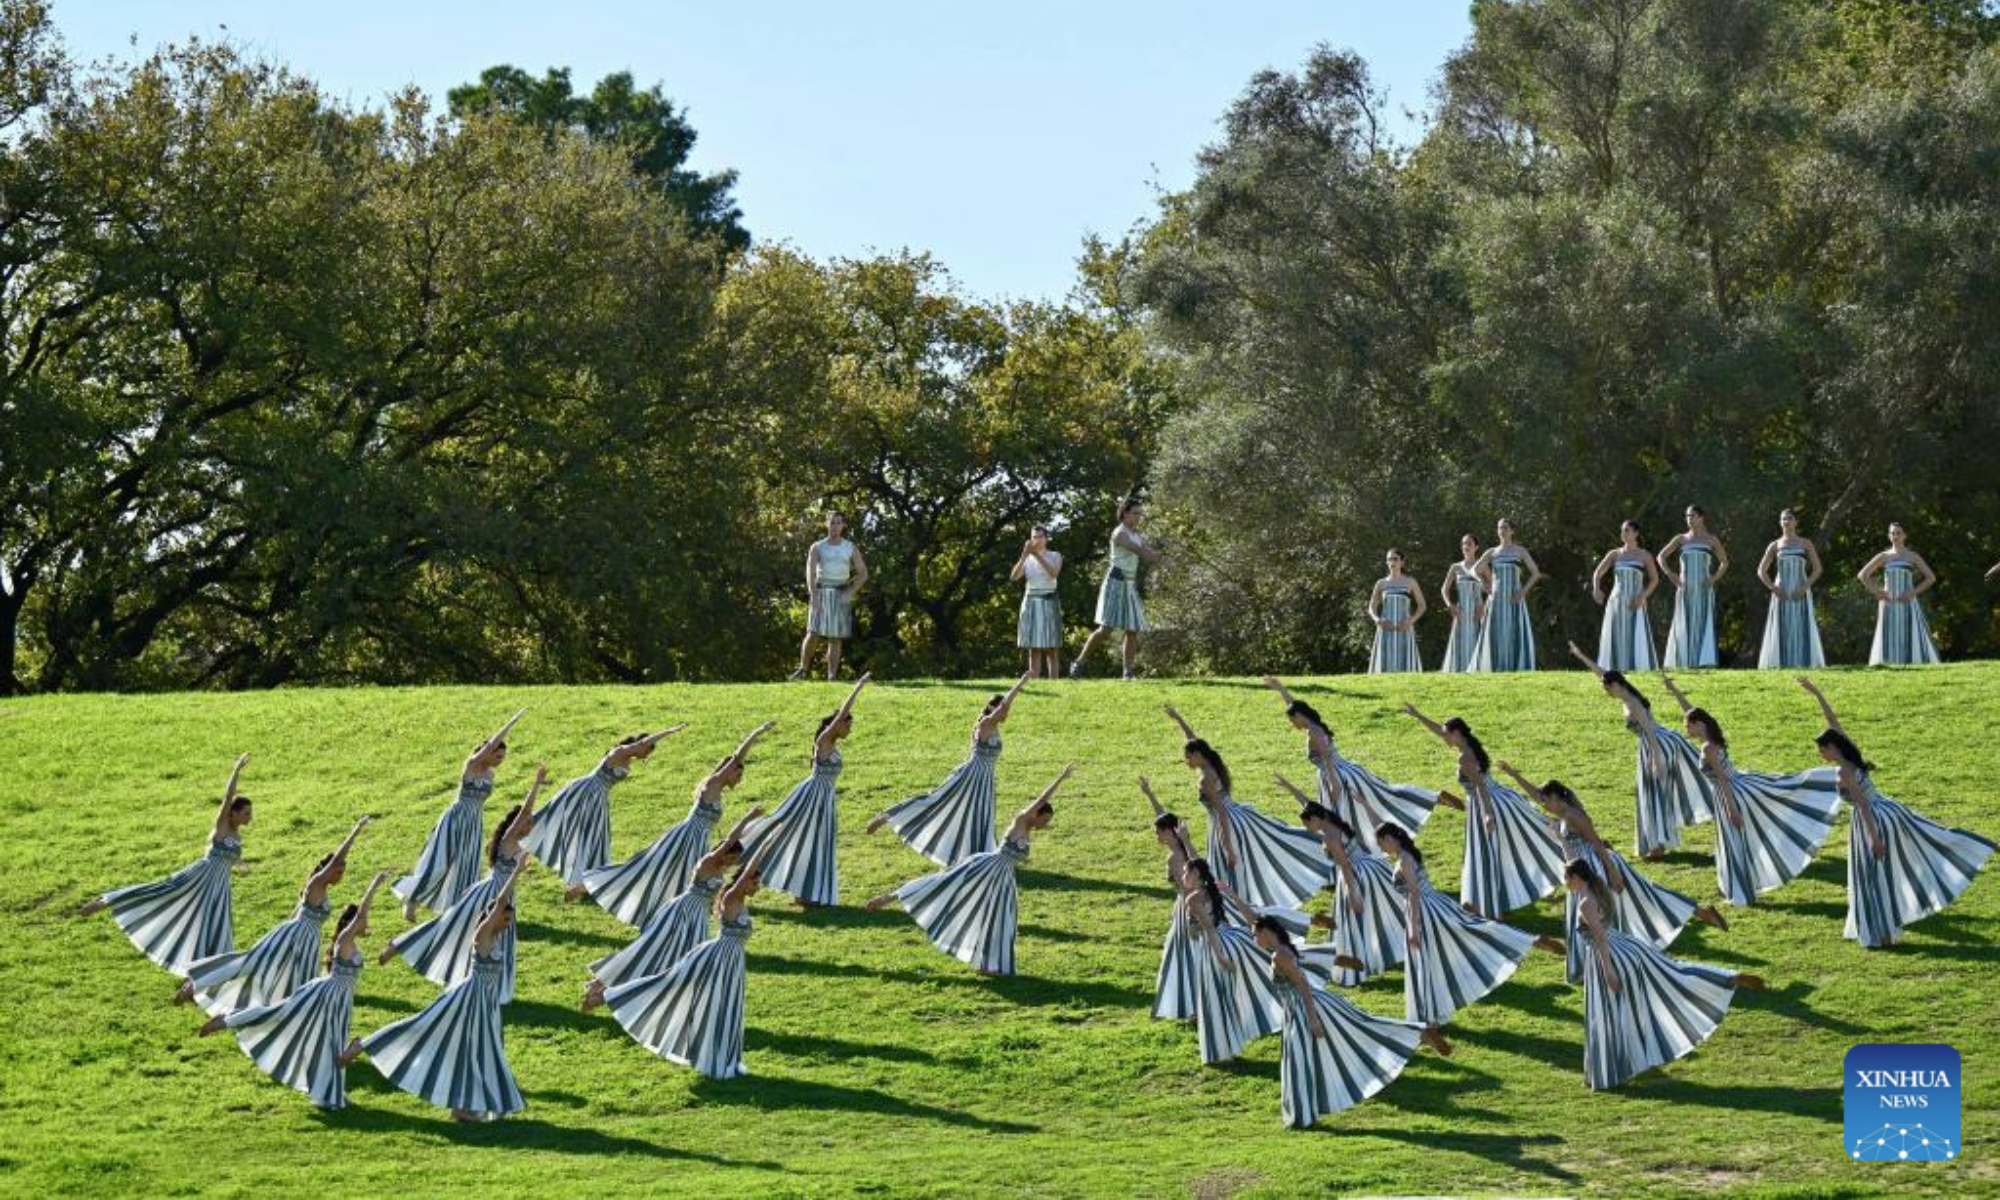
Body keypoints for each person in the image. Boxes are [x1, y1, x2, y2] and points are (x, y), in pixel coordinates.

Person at [1798, 677, 1993, 947]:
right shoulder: (1851, 755)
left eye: (1822, 749)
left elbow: (1862, 806)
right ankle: (1973, 845)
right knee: (1921, 842)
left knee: (1873, 877)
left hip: (1872, 819)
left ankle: (1882, 933)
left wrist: (1875, 838)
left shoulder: (1844, 771)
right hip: (1888, 809)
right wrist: (1816, 694)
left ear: (1832, 748)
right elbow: (1834, 723)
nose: (1820, 754)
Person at [1497, 765, 1725, 984]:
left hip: (1596, 867)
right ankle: (1698, 912)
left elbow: (1596, 843)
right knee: (1640, 896)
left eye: (1546, 800)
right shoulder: (1563, 811)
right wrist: (1512, 774)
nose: (1543, 804)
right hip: (1582, 868)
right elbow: (1536, 794)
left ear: (1557, 798)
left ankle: (1697, 913)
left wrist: (1613, 872)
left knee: (1640, 898)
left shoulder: (1573, 816)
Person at [199, 870, 392, 1110]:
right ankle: (226, 1020)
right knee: (279, 1014)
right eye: (362, 923)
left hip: (340, 1001)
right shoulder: (344, 940)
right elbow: (361, 914)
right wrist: (374, 885)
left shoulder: (348, 943)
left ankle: (330, 1094)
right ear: (353, 925)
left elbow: (361, 917)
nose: (367, 925)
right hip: (325, 995)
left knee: (330, 1044)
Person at [1568, 860, 1760, 1090]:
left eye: (1567, 878)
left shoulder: (1586, 904)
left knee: (1607, 1012)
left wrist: (1608, 970)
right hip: (1628, 947)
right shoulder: (1601, 891)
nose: (1565, 883)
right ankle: (1726, 978)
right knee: (1672, 973)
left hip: (1610, 957)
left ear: (1577, 878)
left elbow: (1599, 939)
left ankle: (1612, 1070)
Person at [866, 765, 1073, 976]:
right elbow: (1041, 799)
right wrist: (1060, 779)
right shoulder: (1021, 820)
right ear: (1037, 813)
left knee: (999, 920)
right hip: (988, 867)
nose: (1045, 825)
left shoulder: (1028, 831)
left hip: (1003, 879)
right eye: (1044, 820)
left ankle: (988, 963)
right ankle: (889, 898)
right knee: (943, 884)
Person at [594, 842, 777, 1079]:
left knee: (727, 1007)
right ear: (745, 880)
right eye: (755, 881)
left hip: (732, 963)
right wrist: (767, 843)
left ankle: (723, 1058)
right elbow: (746, 866)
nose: (758, 887)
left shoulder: (741, 905)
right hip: (717, 958)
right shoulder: (731, 898)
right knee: (681, 987)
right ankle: (609, 994)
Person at [359, 870, 527, 1121]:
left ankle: (464, 1106)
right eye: (506, 918)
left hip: (486, 1004)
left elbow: (504, 905)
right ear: (495, 916)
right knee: (432, 1031)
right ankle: (366, 1044)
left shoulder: (496, 939)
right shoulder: (482, 935)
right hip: (469, 999)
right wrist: (516, 871)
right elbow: (501, 902)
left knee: (479, 1050)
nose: (508, 922)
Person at [1661, 674, 1840, 907]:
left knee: (1734, 841)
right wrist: (1674, 691)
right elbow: (1692, 712)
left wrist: (1731, 809)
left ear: (1698, 724)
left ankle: (1740, 893)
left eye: (1688, 725)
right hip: (1737, 788)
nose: (1686, 729)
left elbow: (1723, 780)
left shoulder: (1707, 748)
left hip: (1732, 794)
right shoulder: (1712, 739)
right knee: (1735, 840)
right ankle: (1737, 889)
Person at [579, 721, 775, 926]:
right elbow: (737, 757)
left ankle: (674, 920)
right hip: (685, 836)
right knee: (648, 867)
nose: (739, 779)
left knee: (682, 879)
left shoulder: (718, 791)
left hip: (698, 841)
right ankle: (591, 885)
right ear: (728, 772)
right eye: (738, 774)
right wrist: (756, 733)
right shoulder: (714, 783)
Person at [1379, 823, 1551, 1057]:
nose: (1381, 847)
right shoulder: (1406, 856)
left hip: (1427, 913)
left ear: (1390, 838)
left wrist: (1413, 929)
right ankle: (1428, 1025)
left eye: (1382, 842)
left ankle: (1428, 1026)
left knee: (1435, 958)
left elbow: (1414, 896)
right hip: (1432, 908)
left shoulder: (1405, 860)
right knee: (1456, 943)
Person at [177, 816, 372, 1016]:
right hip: (294, 937)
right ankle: (194, 986)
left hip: (306, 942)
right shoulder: (317, 883)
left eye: (342, 872)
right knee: (250, 965)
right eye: (339, 871)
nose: (341, 875)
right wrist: (355, 832)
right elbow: (337, 860)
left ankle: (272, 1018)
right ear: (329, 870)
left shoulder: (319, 889)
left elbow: (297, 912)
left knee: (296, 986)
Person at [380, 768, 545, 1004]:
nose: (530, 825)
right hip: (487, 895)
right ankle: (398, 945)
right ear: (516, 824)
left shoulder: (518, 844)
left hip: (506, 897)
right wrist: (537, 784)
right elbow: (525, 811)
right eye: (527, 821)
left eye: (531, 822)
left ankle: (493, 990)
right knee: (448, 927)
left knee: (501, 942)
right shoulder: (509, 839)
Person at [82, 754, 254, 975]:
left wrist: (239, 862)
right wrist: (236, 771)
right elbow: (227, 797)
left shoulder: (237, 837)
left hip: (219, 887)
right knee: (163, 890)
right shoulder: (221, 824)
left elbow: (227, 854)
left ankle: (207, 973)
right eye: (246, 813)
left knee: (217, 924)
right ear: (234, 813)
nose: (250, 817)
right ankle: (107, 901)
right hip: (201, 876)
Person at [1254, 914, 1423, 1129]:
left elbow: (1303, 984)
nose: (1253, 938)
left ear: (1266, 932)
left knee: (1298, 1061)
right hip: (1295, 1011)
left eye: (1255, 933)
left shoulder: (1280, 955)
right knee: (1300, 1060)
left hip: (1301, 1011)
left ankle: (1302, 1118)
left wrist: (1312, 1020)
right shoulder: (1283, 951)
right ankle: (1302, 1116)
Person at [581, 814, 762, 1010]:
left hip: (697, 920)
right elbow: (730, 840)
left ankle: (605, 988)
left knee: (681, 963)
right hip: (680, 913)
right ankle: (603, 989)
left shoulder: (719, 871)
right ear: (724, 852)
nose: (732, 862)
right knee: (650, 951)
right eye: (732, 857)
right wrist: (748, 819)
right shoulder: (708, 862)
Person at [1263, 677, 1456, 852]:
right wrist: (1281, 690)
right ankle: (1432, 797)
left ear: (1299, 717)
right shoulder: (1313, 724)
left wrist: (1333, 789)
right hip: (1347, 770)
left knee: (1345, 817)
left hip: (1336, 775)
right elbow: (1294, 706)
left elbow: (1328, 760)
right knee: (1385, 795)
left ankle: (1358, 854)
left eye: (1292, 720)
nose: (1292, 724)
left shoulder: (1313, 732)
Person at [1403, 706, 1562, 917]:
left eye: (1447, 734)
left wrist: (1487, 814)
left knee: (1489, 853)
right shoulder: (1468, 746)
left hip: (1487, 803)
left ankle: (1493, 902)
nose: (1444, 738)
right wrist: (1418, 715)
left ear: (1457, 733)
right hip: (1497, 798)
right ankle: (1498, 899)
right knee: (1505, 847)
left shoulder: (1465, 758)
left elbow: (1480, 787)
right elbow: (1440, 732)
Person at [1166, 705, 1329, 910]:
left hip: (1227, 822)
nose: (1186, 761)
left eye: (1189, 756)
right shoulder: (1213, 763)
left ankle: (1238, 909)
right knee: (1272, 844)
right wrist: (1179, 720)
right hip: (1238, 815)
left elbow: (1221, 812)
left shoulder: (1205, 779)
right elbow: (1195, 741)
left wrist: (1227, 847)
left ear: (1198, 755)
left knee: (1233, 868)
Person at [1569, 642, 1715, 860]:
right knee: (1651, 794)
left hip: (1657, 744)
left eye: (1607, 688)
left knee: (1653, 793)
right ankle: (1657, 843)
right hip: (1651, 744)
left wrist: (1657, 761)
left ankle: (1657, 845)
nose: (1605, 692)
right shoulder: (1624, 694)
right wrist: (1581, 655)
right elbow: (1602, 673)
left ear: (1616, 685)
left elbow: (1650, 732)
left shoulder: (1633, 703)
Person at [867, 675, 1028, 865]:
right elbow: (1003, 707)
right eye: (1004, 709)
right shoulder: (985, 724)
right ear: (994, 708)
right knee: (936, 801)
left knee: (981, 815)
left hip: (986, 779)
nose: (1007, 713)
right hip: (972, 775)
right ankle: (887, 816)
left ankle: (977, 856)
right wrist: (1021, 682)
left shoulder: (995, 728)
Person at [740, 674, 871, 906]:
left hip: (825, 799)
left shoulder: (834, 746)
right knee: (781, 830)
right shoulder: (824, 740)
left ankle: (806, 894)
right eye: (847, 724)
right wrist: (858, 688)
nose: (849, 729)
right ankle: (740, 859)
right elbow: (841, 713)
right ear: (837, 724)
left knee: (817, 842)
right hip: (810, 796)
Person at [394, 710, 523, 922]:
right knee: (439, 863)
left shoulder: (490, 774)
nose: (500, 760)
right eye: (497, 756)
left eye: (503, 757)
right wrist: (510, 724)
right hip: (456, 818)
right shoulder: (472, 765)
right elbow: (491, 745)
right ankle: (412, 899)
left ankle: (459, 911)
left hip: (474, 822)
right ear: (488, 753)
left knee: (467, 866)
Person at [1273, 776, 1402, 987]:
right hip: (1370, 868)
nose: (1307, 828)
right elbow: (1309, 804)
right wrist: (1290, 788)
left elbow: (1344, 865)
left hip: (1355, 875)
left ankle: (1358, 965)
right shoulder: (1330, 820)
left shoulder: (1329, 837)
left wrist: (1353, 893)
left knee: (1352, 924)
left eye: (1307, 823)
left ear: (1316, 819)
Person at [529, 726, 685, 892]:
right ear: (642, 746)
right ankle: (578, 878)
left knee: (597, 837)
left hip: (599, 797)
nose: (646, 756)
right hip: (587, 791)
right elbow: (643, 742)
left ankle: (587, 878)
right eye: (647, 751)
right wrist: (668, 732)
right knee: (584, 832)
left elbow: (642, 746)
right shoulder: (620, 751)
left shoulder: (628, 759)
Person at [1071, 499, 1160, 679]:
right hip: (1115, 582)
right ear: (1124, 513)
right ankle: (1079, 662)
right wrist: (1152, 554)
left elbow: (1149, 554)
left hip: (1129, 584)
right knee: (1106, 629)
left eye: (1140, 514)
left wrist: (1157, 555)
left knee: (1132, 629)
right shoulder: (1119, 533)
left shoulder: (1138, 535)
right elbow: (1140, 551)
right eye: (1135, 513)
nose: (1138, 517)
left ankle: (1127, 672)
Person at [792, 510, 870, 681]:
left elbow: (863, 573)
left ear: (843, 525)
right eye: (832, 522)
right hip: (820, 592)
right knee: (813, 633)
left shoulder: (850, 547)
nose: (835, 526)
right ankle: (802, 670)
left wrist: (850, 593)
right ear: (826, 524)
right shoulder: (817, 547)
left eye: (838, 523)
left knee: (835, 638)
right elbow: (810, 574)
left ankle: (832, 677)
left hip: (841, 592)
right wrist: (814, 595)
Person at [1859, 523, 1942, 666]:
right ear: (1889, 536)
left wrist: (1913, 592)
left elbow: (1931, 578)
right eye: (1892, 533)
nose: (1895, 536)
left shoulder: (1912, 556)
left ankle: (1913, 662)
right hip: (1889, 602)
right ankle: (1888, 663)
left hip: (1908, 601)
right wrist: (1878, 591)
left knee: (1910, 631)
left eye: (1898, 533)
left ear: (1904, 535)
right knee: (1889, 632)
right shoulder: (1883, 556)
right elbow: (1862, 575)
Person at [1658, 506, 1729, 669]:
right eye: (1687, 516)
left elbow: (1725, 562)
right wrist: (1671, 574)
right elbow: (1661, 557)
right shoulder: (1681, 539)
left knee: (1703, 621)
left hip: (1704, 588)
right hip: (1685, 587)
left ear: (1701, 518)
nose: (1689, 518)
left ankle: (1702, 661)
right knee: (1684, 621)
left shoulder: (1711, 539)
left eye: (1693, 515)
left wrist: (1714, 578)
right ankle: (1683, 661)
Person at [1755, 508, 1826, 668]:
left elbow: (1818, 569)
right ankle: (1782, 663)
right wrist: (1773, 588)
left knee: (1801, 623)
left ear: (1796, 522)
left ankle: (1802, 662)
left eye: (1789, 518)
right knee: (1783, 625)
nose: (1786, 521)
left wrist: (1805, 587)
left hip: (1800, 590)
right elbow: (1761, 571)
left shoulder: (1805, 543)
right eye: (1783, 519)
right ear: (1780, 523)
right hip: (1781, 591)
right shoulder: (1775, 545)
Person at [1471, 518, 1544, 671]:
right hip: (1496, 598)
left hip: (1514, 598)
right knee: (1496, 631)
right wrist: (1484, 583)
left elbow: (1536, 573)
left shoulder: (1520, 551)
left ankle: (1514, 665)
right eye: (1499, 528)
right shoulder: (1492, 552)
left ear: (1512, 531)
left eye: (1505, 528)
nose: (1502, 531)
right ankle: (1495, 665)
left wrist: (1523, 591)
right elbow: (1474, 570)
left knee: (1513, 630)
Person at [1591, 520, 1660, 671]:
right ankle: (1616, 667)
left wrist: (1643, 596)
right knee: (1616, 632)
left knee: (1635, 632)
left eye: (1627, 530)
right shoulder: (1614, 554)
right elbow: (1598, 573)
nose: (1624, 533)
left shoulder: (1644, 555)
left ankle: (1636, 666)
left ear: (1636, 533)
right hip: (1616, 600)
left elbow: (1655, 579)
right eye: (1622, 530)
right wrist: (1596, 588)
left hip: (1635, 600)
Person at [1012, 526, 1065, 679]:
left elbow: (1053, 573)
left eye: (1040, 537)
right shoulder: (1027, 558)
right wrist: (1024, 555)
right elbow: (1014, 577)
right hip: (1031, 602)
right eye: (1034, 537)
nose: (1037, 540)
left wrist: (1037, 556)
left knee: (1051, 647)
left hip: (1048, 600)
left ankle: (1054, 682)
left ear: (1046, 538)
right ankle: (1034, 681)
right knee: (1033, 648)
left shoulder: (1055, 555)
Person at [1367, 549, 1427, 673]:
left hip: (1404, 627)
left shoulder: (1410, 582)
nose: (1392, 562)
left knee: (1407, 669)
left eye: (1395, 559)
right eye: (1389, 559)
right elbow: (1371, 608)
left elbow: (1422, 606)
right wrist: (1378, 620)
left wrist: (1410, 621)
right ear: (1386, 562)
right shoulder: (1381, 583)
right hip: (1385, 628)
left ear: (1402, 562)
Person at [1439, 533, 1487, 674]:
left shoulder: (1482, 566)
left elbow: (1493, 587)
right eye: (1463, 544)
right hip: (1461, 611)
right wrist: (1450, 605)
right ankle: (1460, 671)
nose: (1466, 546)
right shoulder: (1456, 567)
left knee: (1477, 639)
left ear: (1476, 547)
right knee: (1460, 642)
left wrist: (1484, 605)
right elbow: (1444, 589)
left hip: (1477, 612)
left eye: (1469, 544)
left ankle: (1478, 671)